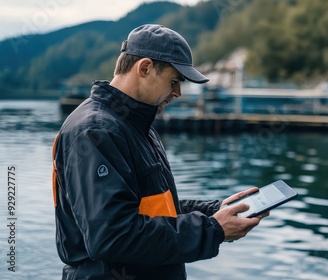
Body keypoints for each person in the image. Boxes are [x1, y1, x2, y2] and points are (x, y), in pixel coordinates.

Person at [51, 24, 267, 280]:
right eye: (174, 81)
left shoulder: (136, 125)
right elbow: (113, 236)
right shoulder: (95, 131)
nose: (177, 93)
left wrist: (214, 210)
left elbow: (150, 207)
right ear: (144, 68)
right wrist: (212, 230)